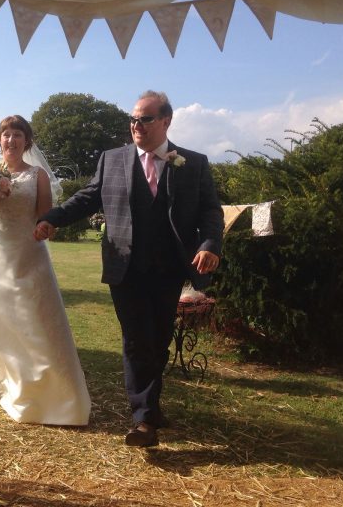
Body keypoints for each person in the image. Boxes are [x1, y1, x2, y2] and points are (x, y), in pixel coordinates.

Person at [34, 90, 224, 446]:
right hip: (126, 267)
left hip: (170, 269)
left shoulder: (193, 163)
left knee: (160, 339)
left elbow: (210, 211)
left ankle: (151, 407)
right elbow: (87, 197)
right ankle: (144, 421)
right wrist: (52, 219)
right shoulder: (112, 159)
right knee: (137, 339)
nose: (137, 125)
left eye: (146, 119)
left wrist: (209, 244)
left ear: (166, 121)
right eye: (134, 119)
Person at [0, 115, 91, 426]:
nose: (10, 140)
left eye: (17, 135)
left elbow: (45, 215)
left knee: (30, 318)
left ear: (27, 142)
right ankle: (1, 372)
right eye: (6, 135)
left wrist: (45, 228)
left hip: (27, 256)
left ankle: (41, 384)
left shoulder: (37, 175)